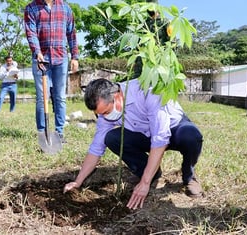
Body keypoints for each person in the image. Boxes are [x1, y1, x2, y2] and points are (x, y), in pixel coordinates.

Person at [63, 78, 204, 210]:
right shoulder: (105, 114)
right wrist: (78, 181)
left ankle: (189, 177)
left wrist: (144, 183)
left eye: (106, 112)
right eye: (101, 114)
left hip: (174, 129)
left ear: (117, 97)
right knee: (112, 138)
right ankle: (151, 173)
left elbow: (160, 139)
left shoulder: (147, 90)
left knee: (191, 136)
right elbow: (96, 148)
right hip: (145, 134)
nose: (105, 117)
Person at [24, 0, 79, 143]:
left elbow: (71, 33)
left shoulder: (65, 8)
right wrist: (37, 52)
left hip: (61, 58)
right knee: (42, 98)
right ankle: (42, 133)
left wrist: (75, 56)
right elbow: (31, 32)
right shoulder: (31, 8)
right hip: (41, 59)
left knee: (60, 96)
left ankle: (59, 133)